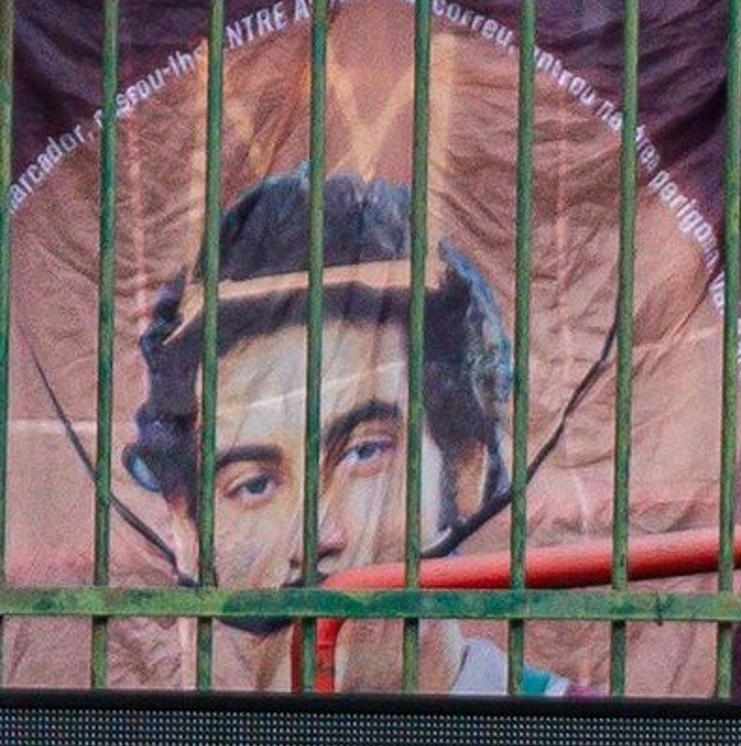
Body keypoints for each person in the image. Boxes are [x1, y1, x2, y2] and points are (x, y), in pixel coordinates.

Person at [121, 170, 571, 697]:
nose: (315, 538)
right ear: (188, 528)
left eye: (364, 452)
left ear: (468, 466)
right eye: (254, 484)